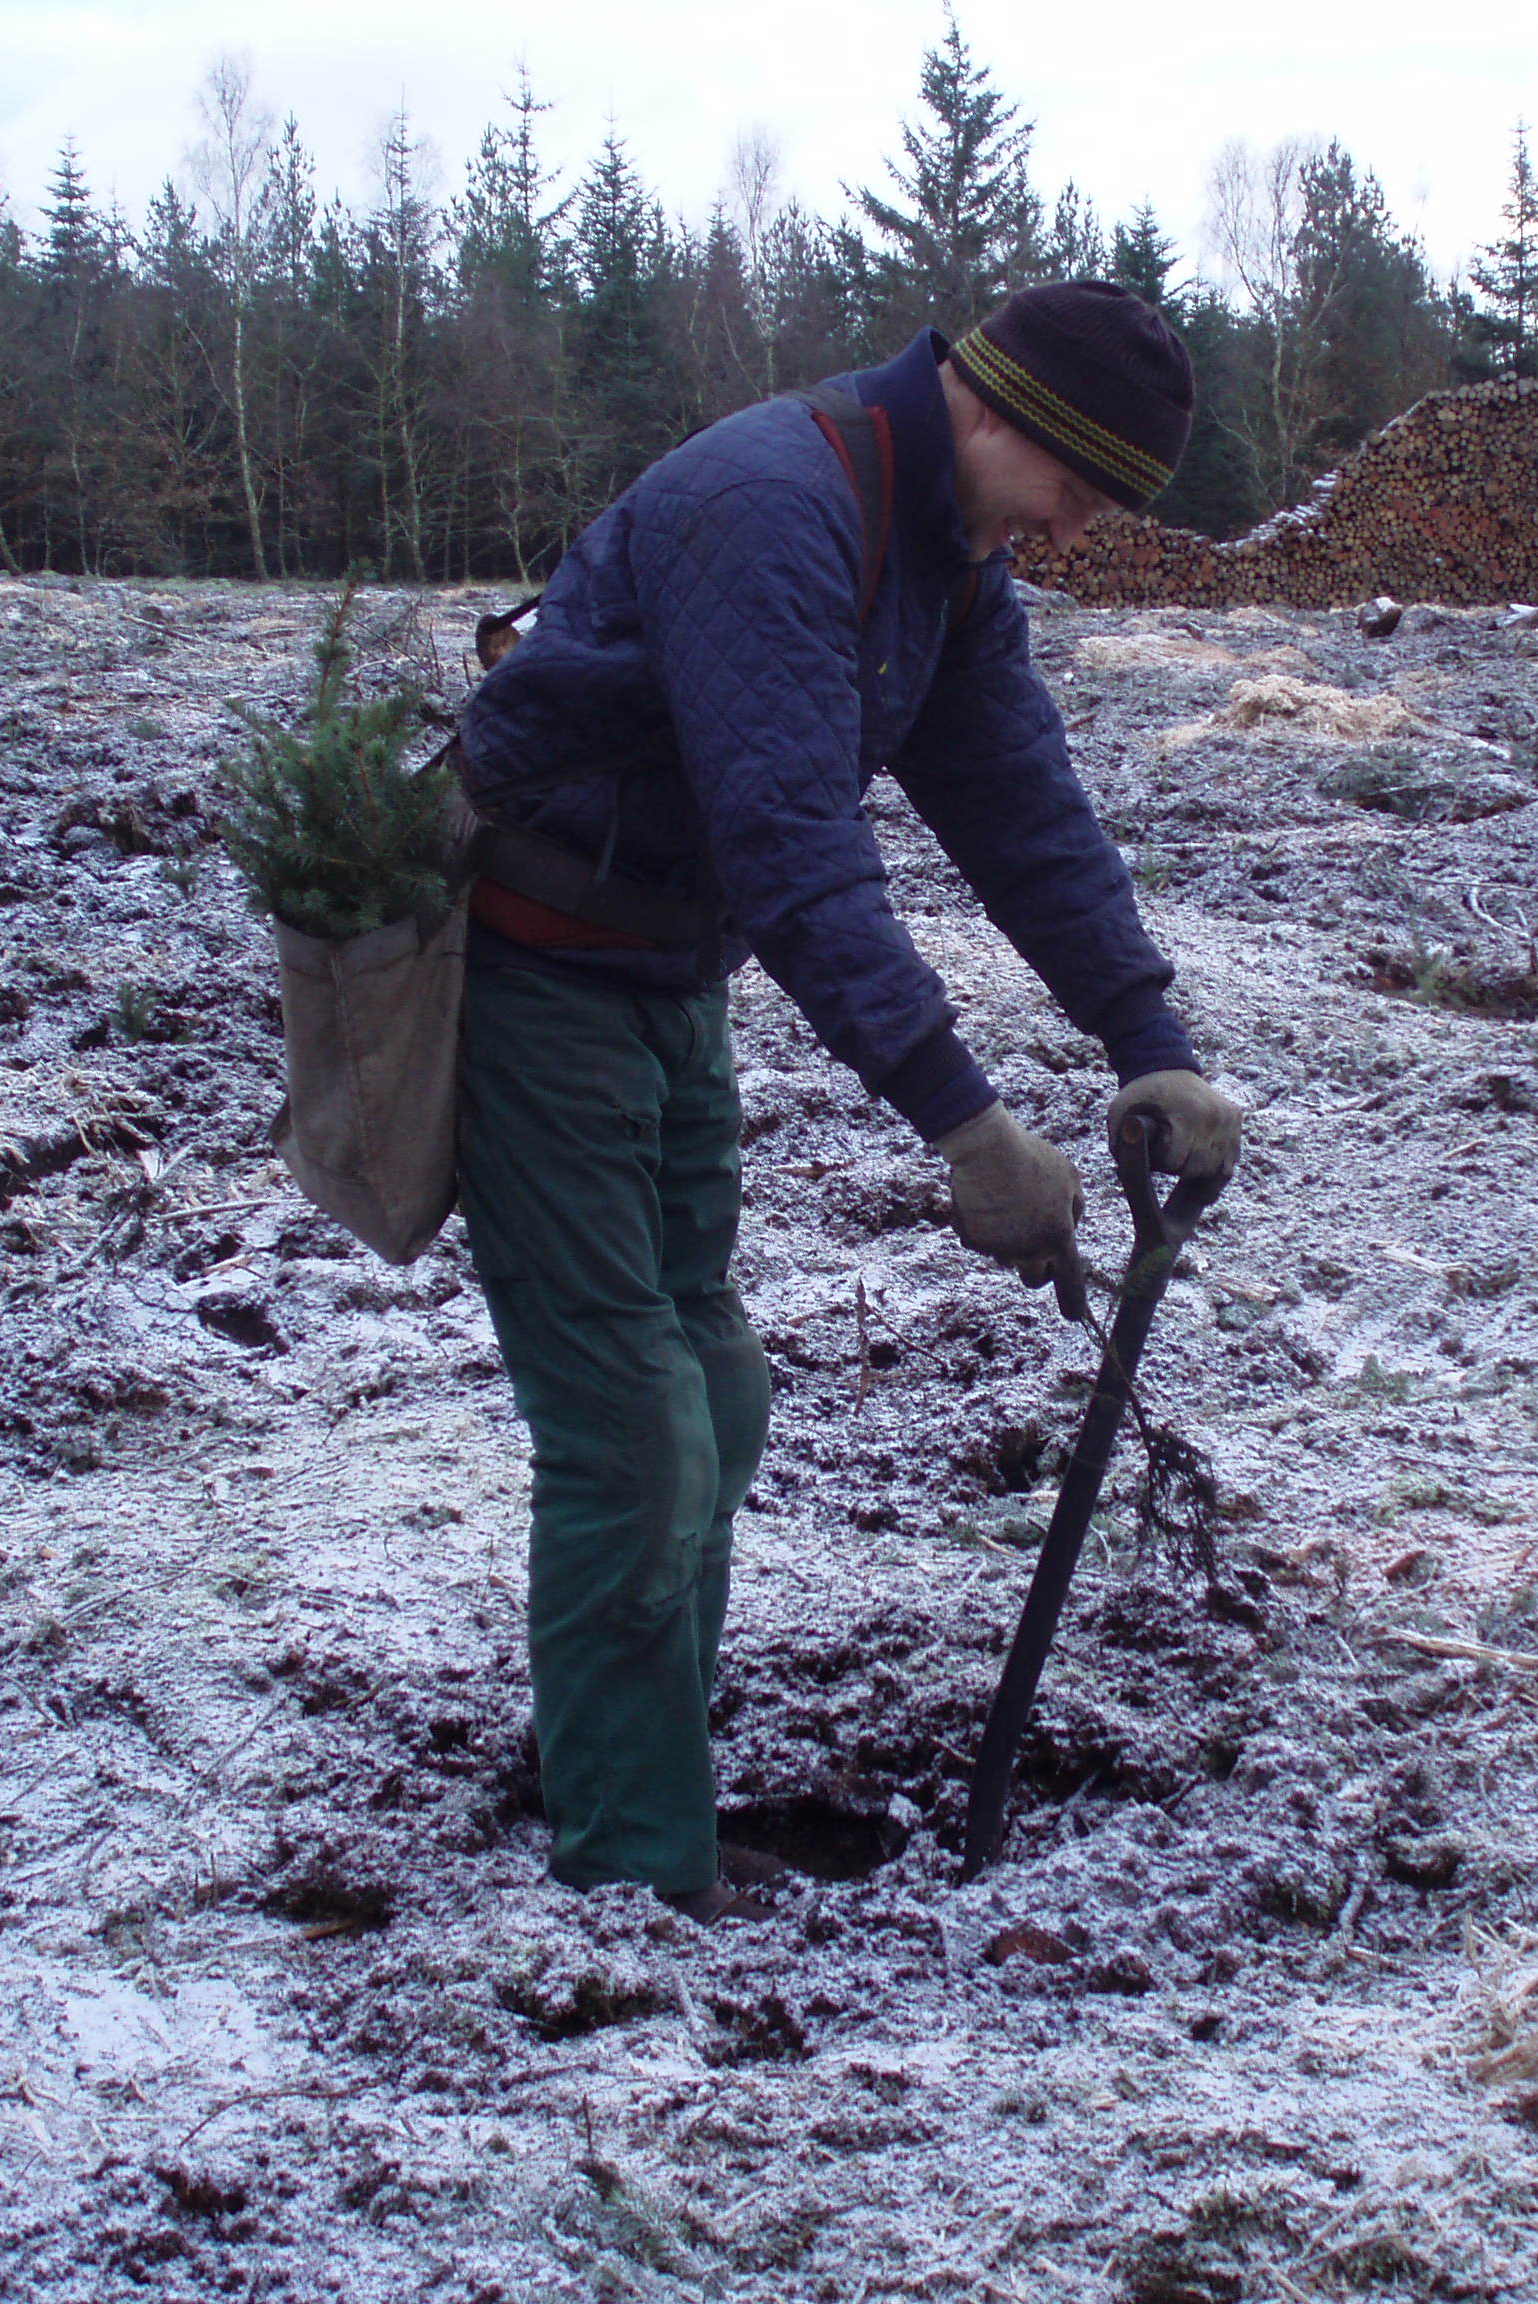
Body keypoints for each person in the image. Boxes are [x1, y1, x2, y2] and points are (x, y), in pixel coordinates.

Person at [458, 281, 1241, 1921]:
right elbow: (798, 855)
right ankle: (631, 1871)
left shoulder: (943, 557)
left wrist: (1145, 1034)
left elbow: (1020, 800)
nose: (1082, 528)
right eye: (1081, 486)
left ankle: (618, 1749)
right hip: (532, 979)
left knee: (715, 1401)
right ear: (993, 413)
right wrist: (966, 1123)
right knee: (636, 1440)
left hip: (665, 980)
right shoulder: (774, 508)